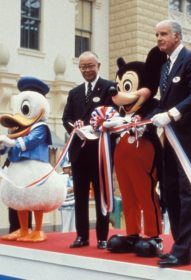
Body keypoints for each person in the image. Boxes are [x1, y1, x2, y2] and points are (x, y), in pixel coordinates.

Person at [151, 19, 191, 267]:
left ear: (177, 36)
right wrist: (135, 118)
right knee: (170, 192)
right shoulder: (165, 67)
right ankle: (182, 247)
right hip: (171, 139)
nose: (159, 39)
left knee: (188, 195)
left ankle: (182, 250)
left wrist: (172, 114)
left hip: (190, 140)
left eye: (163, 34)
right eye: (156, 34)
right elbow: (162, 103)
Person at [62, 51, 116, 249]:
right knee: (80, 197)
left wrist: (94, 129)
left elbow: (114, 117)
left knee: (102, 195)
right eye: (83, 67)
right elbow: (65, 119)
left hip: (100, 153)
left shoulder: (109, 88)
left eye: (90, 66)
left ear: (98, 66)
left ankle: (102, 237)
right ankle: (81, 236)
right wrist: (76, 130)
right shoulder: (74, 93)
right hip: (79, 153)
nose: (87, 70)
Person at [59, 159, 75, 233]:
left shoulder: (74, 176)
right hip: (65, 204)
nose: (69, 169)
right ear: (64, 168)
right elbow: (58, 189)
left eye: (70, 167)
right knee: (66, 225)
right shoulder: (60, 177)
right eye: (67, 168)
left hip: (74, 203)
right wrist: (67, 190)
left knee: (73, 226)